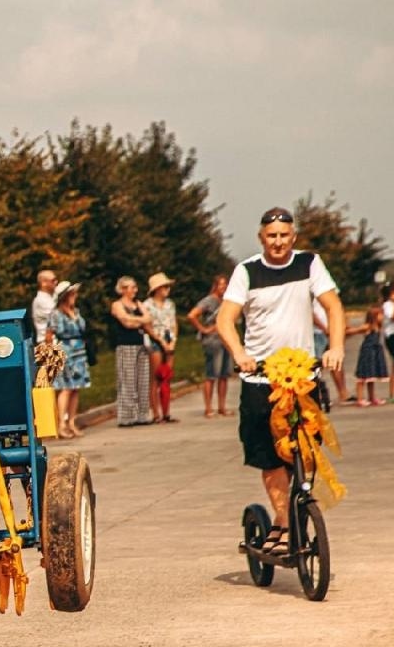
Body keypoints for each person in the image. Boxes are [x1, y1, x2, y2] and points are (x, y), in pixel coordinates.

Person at [215, 206, 345, 555]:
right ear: (262, 238)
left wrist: (335, 348)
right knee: (270, 457)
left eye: (284, 235)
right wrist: (240, 353)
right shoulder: (247, 271)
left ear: (294, 237)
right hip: (260, 380)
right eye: (271, 236)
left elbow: (333, 307)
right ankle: (285, 522)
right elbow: (225, 320)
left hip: (303, 377)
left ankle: (294, 513)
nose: (278, 242)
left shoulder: (309, 264)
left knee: (305, 450)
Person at [109, 275, 153, 427]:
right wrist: (138, 321)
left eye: (135, 287)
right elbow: (125, 321)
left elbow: (148, 318)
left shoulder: (138, 303)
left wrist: (135, 321)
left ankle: (142, 414)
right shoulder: (117, 304)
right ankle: (126, 416)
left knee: (142, 379)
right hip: (125, 344)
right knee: (127, 379)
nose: (135, 290)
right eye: (131, 287)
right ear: (123, 289)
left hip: (140, 344)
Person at [188, 274, 234, 417]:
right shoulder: (208, 301)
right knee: (211, 375)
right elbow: (192, 315)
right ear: (215, 286)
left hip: (226, 339)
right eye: (221, 284)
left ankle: (222, 407)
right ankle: (208, 408)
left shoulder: (226, 301)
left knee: (224, 375)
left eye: (226, 284)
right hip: (212, 341)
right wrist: (204, 329)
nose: (224, 287)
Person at [49, 281, 90, 438]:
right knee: (66, 387)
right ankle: (62, 424)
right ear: (64, 297)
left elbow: (82, 328)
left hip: (79, 351)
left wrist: (73, 315)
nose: (75, 296)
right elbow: (51, 334)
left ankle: (72, 421)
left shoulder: (76, 312)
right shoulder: (56, 314)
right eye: (72, 294)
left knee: (76, 387)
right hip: (65, 350)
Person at [144, 272, 179, 423]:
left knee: (167, 377)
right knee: (155, 378)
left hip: (168, 338)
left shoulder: (170, 304)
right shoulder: (147, 305)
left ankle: (166, 412)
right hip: (155, 340)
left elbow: (174, 323)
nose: (167, 289)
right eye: (164, 286)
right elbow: (148, 326)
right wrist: (160, 341)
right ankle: (156, 414)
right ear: (156, 289)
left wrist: (173, 341)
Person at [349, 304, 389, 406]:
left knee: (371, 377)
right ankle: (360, 398)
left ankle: (372, 397)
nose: (383, 317)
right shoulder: (368, 327)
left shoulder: (378, 327)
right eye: (381, 315)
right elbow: (354, 331)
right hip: (367, 352)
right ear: (374, 316)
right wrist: (345, 330)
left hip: (375, 352)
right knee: (363, 376)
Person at [31, 269, 59, 343]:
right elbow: (59, 317)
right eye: (53, 280)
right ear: (43, 283)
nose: (56, 282)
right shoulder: (41, 300)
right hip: (49, 345)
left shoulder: (50, 298)